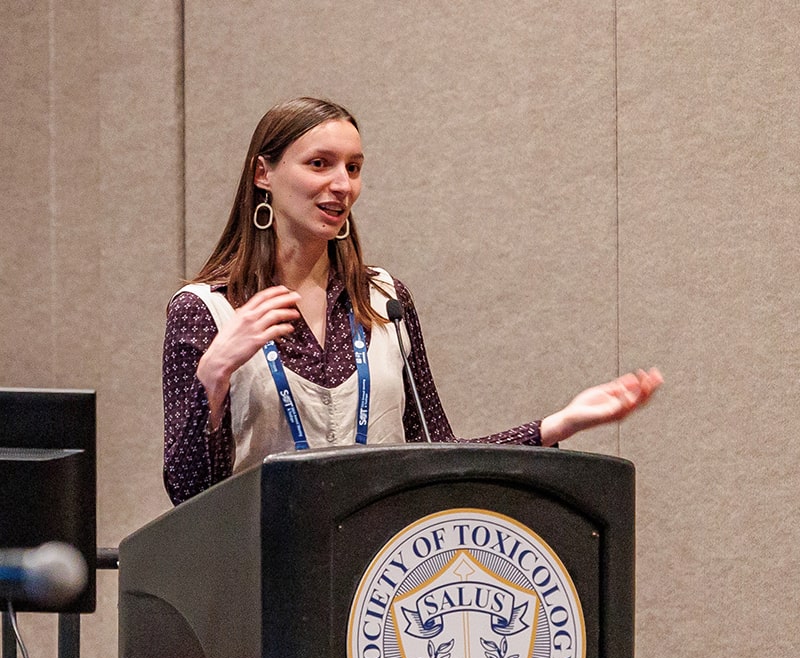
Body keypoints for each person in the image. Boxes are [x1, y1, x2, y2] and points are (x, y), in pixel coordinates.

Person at [163, 97, 662, 505]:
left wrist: (559, 424)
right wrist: (214, 374)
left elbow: (437, 456)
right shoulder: (203, 310)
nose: (342, 184)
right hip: (262, 576)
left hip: (382, 581)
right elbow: (188, 495)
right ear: (263, 174)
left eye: (353, 167)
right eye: (320, 164)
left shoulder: (385, 300)